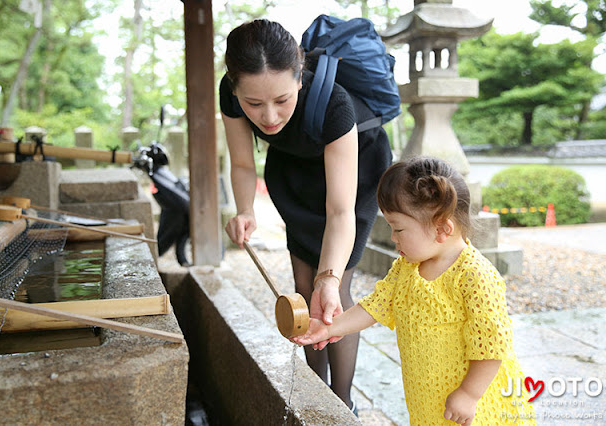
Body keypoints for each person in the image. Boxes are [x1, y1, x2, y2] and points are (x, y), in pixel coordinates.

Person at [219, 19, 392, 413]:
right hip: (294, 169)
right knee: (302, 286)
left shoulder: (334, 103)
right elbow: (243, 164)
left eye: (281, 99)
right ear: (234, 88)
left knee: (332, 290)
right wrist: (244, 209)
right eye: (253, 103)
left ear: (299, 77)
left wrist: (329, 277)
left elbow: (340, 209)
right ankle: (315, 394)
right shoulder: (230, 96)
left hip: (353, 170)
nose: (269, 117)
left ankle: (343, 402)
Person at [293, 157, 537, 425]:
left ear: (443, 228)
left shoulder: (475, 276)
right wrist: (330, 328)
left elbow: (491, 345)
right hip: (428, 399)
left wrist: (469, 393)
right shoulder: (407, 267)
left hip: (477, 403)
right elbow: (376, 305)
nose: (393, 238)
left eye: (398, 229)